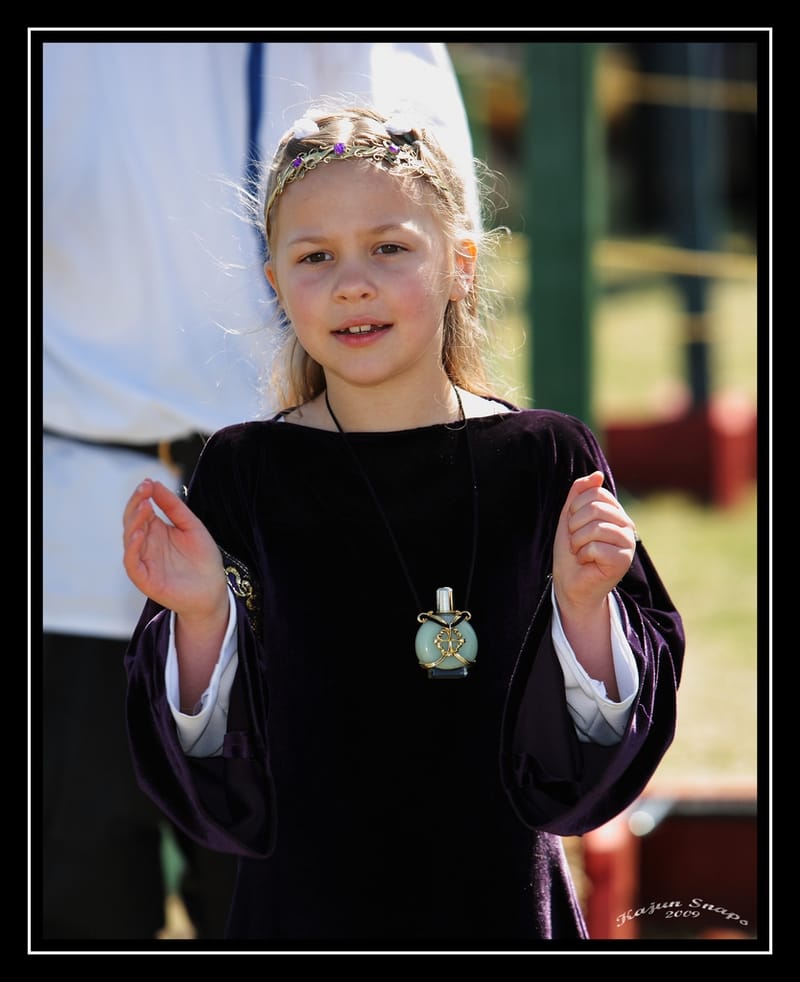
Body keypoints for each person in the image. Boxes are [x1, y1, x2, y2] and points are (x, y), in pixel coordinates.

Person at [121, 104, 685, 947]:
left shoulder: (544, 459)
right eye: (316, 257)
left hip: (495, 908)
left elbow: (592, 763)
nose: (354, 282)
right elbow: (218, 782)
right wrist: (202, 617)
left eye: (390, 247)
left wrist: (584, 605)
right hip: (305, 913)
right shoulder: (246, 471)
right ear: (275, 282)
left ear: (460, 264)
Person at [41, 39, 477, 942]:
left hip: (309, 536)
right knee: (67, 899)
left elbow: (427, 249)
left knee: (293, 908)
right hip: (64, 536)